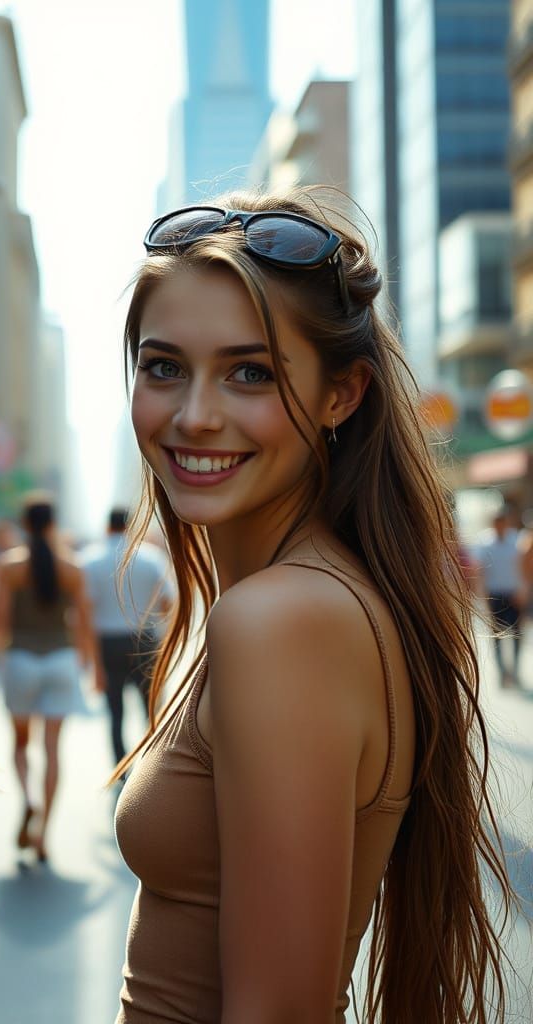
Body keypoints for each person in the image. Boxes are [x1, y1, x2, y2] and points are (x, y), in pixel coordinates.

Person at [113, 191, 516, 1023]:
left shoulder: (283, 620)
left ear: (343, 394)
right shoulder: (290, 600)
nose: (194, 415)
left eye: (249, 373)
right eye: (163, 367)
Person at [0, 495, 103, 862]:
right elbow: (84, 623)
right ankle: (44, 833)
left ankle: (28, 800)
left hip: (20, 662)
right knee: (53, 751)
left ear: (25, 525)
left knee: (20, 743)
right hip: (61, 661)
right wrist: (93, 667)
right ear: (52, 524)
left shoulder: (9, 566)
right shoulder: (73, 567)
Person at [80, 507, 173, 764]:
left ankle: (120, 768)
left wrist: (92, 663)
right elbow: (168, 603)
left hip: (107, 643)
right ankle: (152, 765)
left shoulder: (89, 560)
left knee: (115, 713)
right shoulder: (152, 558)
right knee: (151, 710)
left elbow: (84, 614)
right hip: (144, 638)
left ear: (107, 527)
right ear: (130, 527)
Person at [474, 507, 525, 688]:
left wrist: (524, 590)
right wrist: (483, 599)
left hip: (514, 594)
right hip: (495, 595)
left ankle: (515, 671)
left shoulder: (517, 541)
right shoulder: (485, 543)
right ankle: (502, 673)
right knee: (497, 636)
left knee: (517, 635)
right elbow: (481, 573)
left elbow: (524, 568)